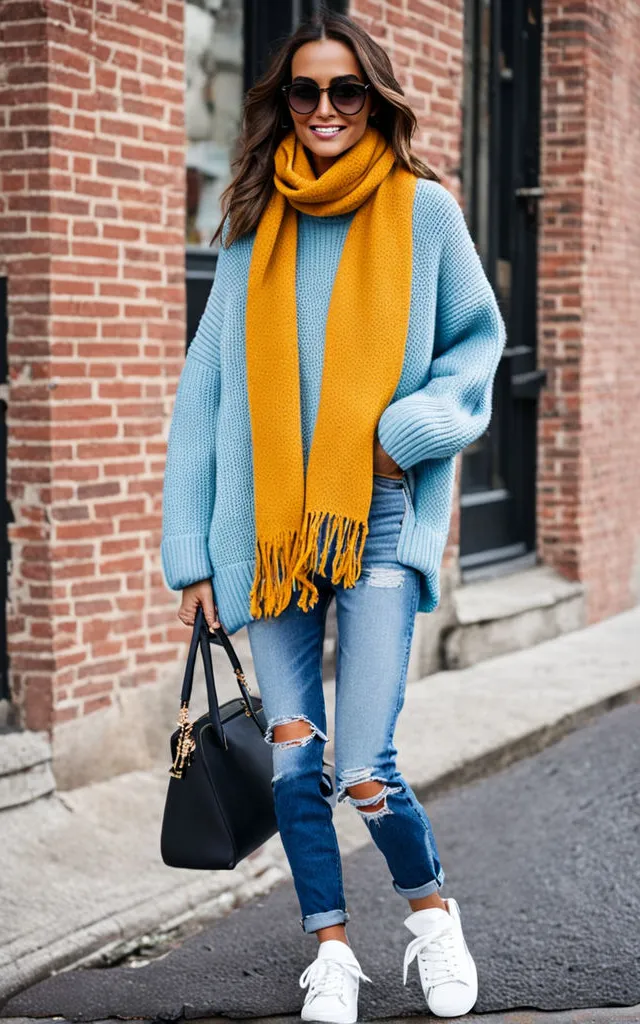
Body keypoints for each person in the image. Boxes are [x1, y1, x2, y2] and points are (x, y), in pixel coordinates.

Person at [162, 10, 506, 1023]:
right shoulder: (250, 228)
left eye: (344, 91)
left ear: (375, 101)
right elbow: (204, 400)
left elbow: (474, 351)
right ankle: (331, 950)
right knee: (296, 751)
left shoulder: (422, 211)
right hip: (262, 532)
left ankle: (433, 916)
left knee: (361, 763)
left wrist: (412, 427)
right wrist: (191, 548)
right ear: (281, 105)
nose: (323, 109)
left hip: (381, 518)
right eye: (304, 91)